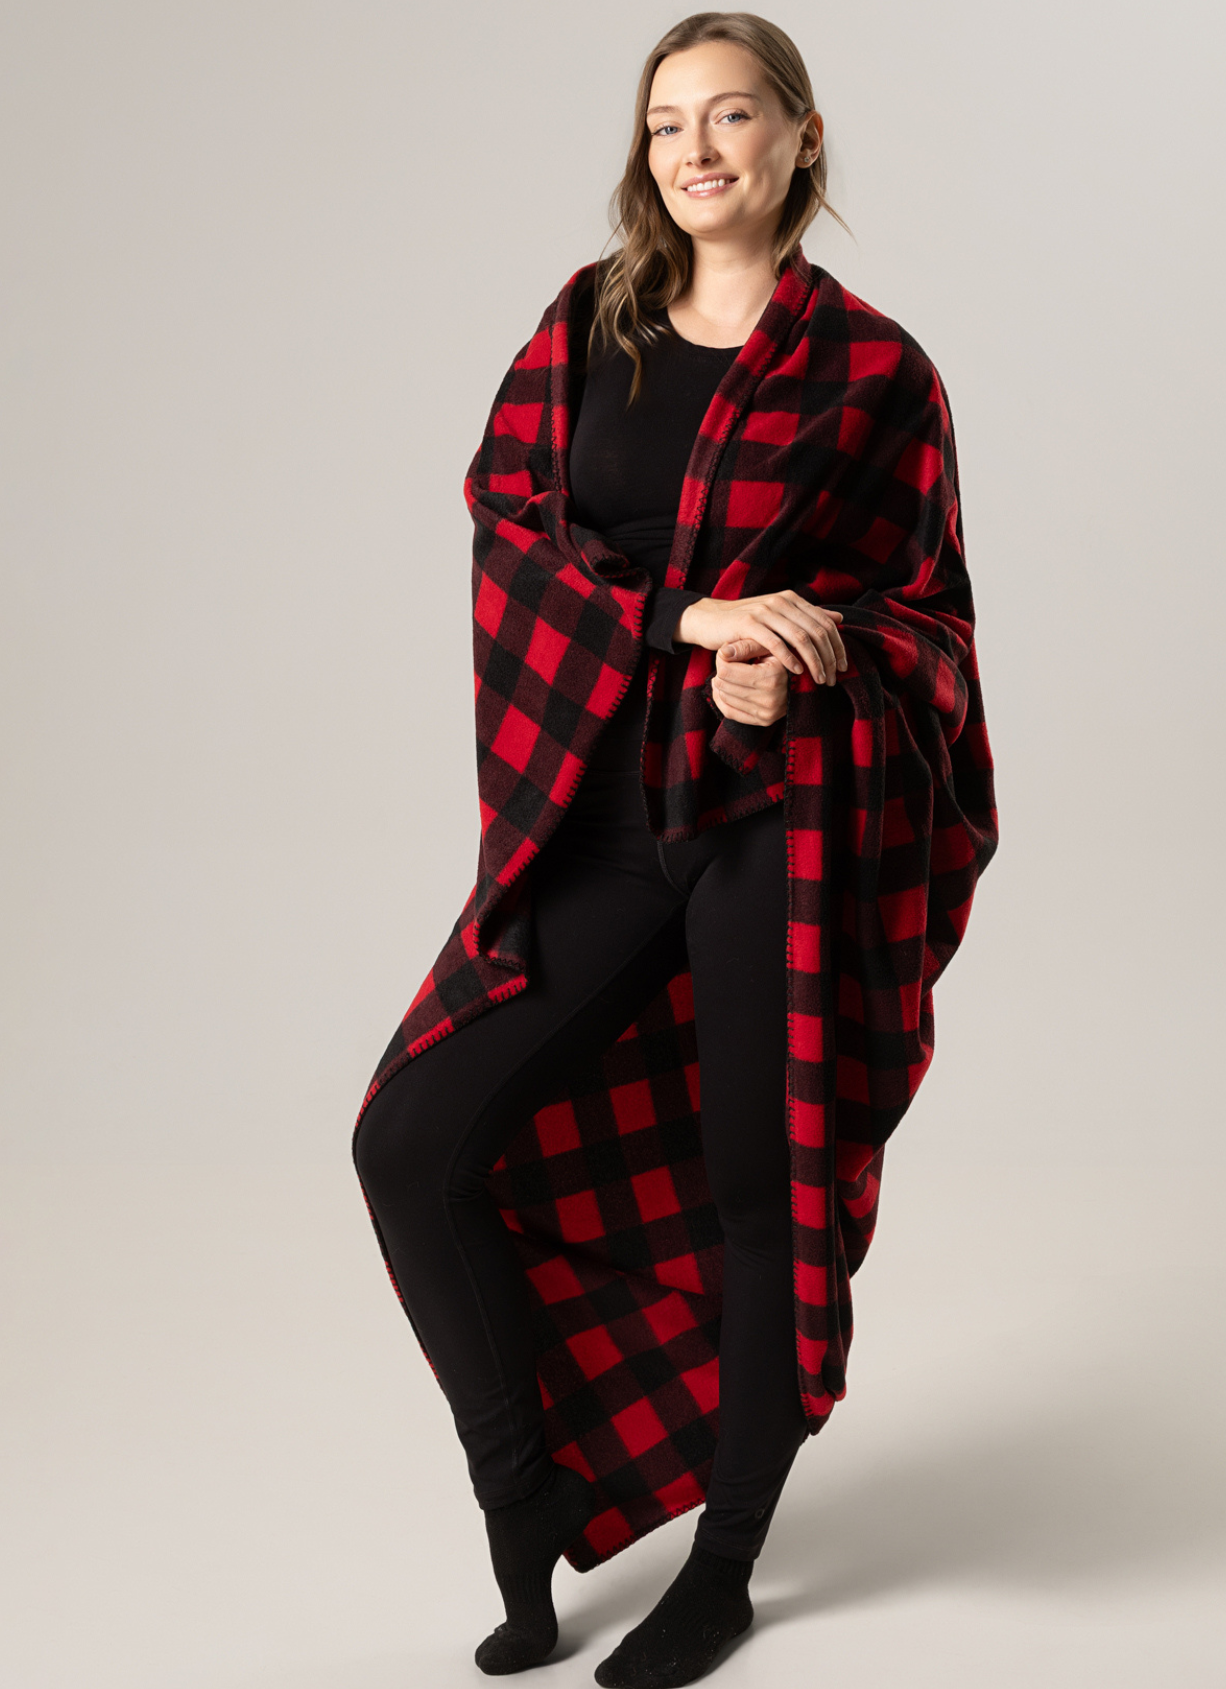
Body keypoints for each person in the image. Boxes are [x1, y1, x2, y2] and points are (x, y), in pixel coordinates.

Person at [352, 12, 997, 1686]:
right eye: (665, 127)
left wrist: (814, 661)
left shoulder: (878, 373)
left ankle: (723, 1565)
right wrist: (691, 613)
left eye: (730, 117)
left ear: (803, 137)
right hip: (611, 804)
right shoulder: (588, 332)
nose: (696, 149)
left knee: (758, 1182)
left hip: (787, 815)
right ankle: (526, 1502)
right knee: (414, 1139)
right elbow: (512, 529)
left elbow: (928, 624)